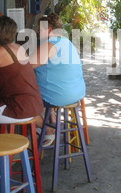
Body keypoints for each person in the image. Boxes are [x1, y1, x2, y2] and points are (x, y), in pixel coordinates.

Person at [29, 13, 86, 145]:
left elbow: (26, 66)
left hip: (60, 96)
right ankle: (53, 122)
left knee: (20, 100)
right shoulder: (67, 43)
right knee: (44, 83)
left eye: (40, 29)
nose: (37, 31)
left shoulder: (49, 45)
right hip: (76, 95)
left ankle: (47, 129)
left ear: (49, 30)